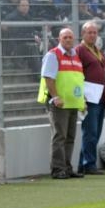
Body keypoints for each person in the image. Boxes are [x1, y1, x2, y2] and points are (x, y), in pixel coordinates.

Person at [38, 27, 85, 179]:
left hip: (72, 103)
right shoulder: (53, 55)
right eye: (65, 37)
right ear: (59, 39)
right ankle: (58, 169)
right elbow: (49, 78)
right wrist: (55, 97)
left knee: (69, 137)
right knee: (59, 136)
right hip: (59, 103)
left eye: (70, 37)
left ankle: (67, 168)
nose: (68, 39)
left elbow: (77, 80)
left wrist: (81, 100)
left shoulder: (75, 56)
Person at [76, 21, 105, 175]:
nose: (92, 35)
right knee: (90, 131)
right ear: (83, 34)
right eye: (89, 32)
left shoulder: (97, 49)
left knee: (95, 131)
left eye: (95, 32)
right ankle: (89, 164)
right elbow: (77, 73)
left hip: (101, 95)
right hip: (89, 97)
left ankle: (83, 164)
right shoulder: (80, 50)